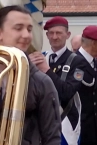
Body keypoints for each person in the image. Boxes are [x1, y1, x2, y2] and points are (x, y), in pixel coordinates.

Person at [0, 5, 61, 145]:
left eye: (29, 29)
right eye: (18, 28)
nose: (26, 35)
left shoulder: (42, 82)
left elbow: (52, 137)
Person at [37, 16, 87, 144]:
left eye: (59, 33)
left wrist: (46, 70)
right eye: (51, 33)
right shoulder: (41, 57)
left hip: (65, 123)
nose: (54, 37)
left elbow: (67, 92)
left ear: (67, 34)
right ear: (47, 35)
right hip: (42, 121)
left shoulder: (78, 61)